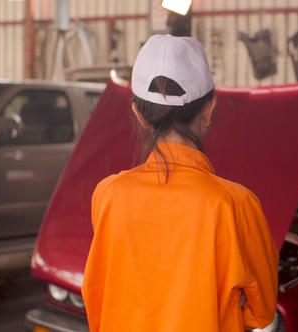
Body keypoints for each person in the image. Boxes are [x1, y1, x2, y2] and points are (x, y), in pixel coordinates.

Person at [81, 35, 279, 331]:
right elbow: (261, 313)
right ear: (209, 110)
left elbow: (95, 294)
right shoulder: (236, 203)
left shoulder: (107, 194)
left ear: (139, 114)